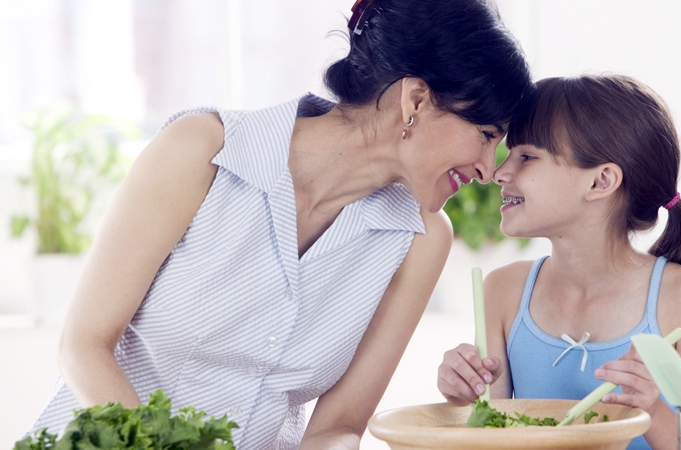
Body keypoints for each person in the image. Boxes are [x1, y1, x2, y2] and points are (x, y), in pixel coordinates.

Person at [28, 1, 535, 449]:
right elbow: (85, 345)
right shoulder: (203, 151)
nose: (490, 169)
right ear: (416, 101)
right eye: (486, 134)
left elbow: (338, 425)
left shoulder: (422, 240)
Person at [436, 74, 681, 450]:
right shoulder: (503, 291)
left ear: (601, 181)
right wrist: (464, 399)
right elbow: (491, 438)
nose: (499, 173)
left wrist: (652, 412)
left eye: (527, 156)